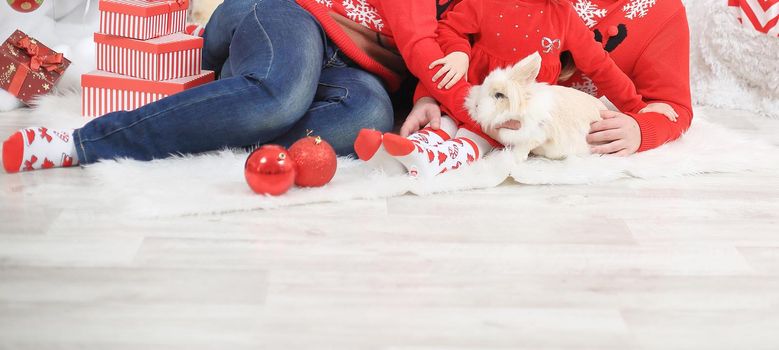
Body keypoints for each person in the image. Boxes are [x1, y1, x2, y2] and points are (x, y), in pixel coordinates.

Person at [1, 0, 457, 173]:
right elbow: (419, 40)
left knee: (365, 118)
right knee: (280, 95)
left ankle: (211, 113)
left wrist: (428, 96)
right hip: (291, 14)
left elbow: (458, 60)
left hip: (354, 69)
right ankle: (84, 142)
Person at [355, 0, 681, 177]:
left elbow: (600, 66)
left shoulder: (562, 15)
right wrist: (457, 54)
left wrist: (638, 113)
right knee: (445, 122)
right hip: (474, 93)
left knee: (477, 141)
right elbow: (449, 30)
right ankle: (408, 149)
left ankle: (431, 160)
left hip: (515, 109)